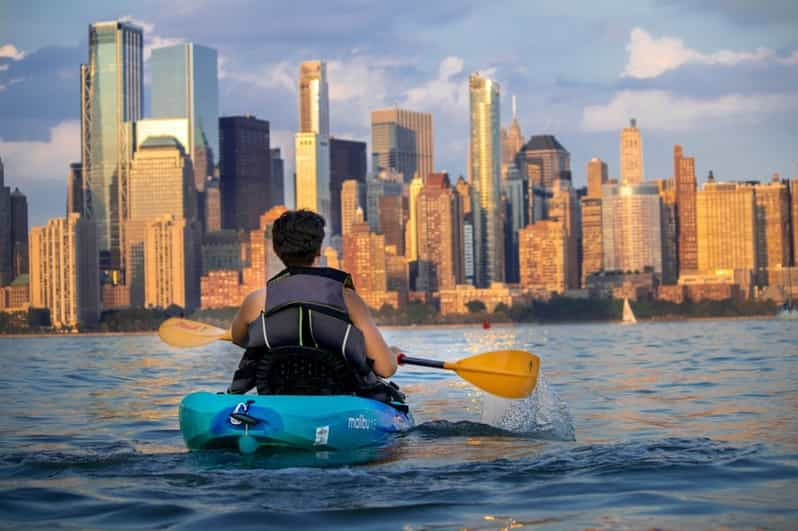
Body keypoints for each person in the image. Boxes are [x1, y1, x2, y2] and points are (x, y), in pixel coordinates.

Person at [227, 209, 403, 401]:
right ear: (319, 250)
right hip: (337, 402)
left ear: (277, 251)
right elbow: (385, 369)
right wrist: (392, 355)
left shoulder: (257, 301)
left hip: (277, 398)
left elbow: (239, 338)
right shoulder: (347, 298)